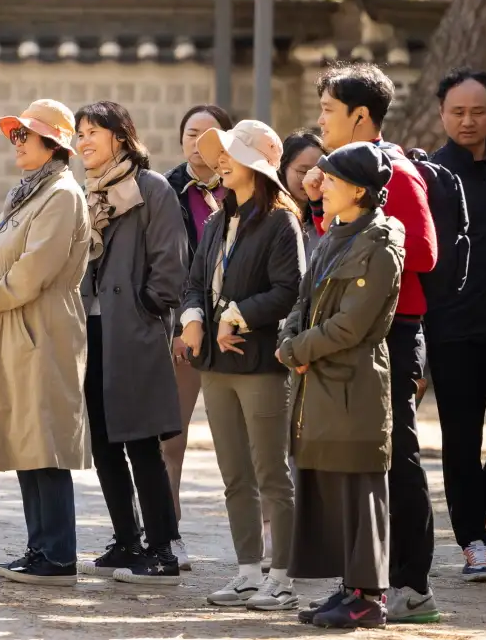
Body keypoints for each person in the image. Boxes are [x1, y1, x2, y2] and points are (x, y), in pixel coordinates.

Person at [304, 62, 439, 624]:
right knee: (352, 455)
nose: (321, 122)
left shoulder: (397, 173)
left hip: (391, 332)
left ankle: (410, 582)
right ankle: (362, 581)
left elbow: (425, 256)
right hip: (348, 334)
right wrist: (319, 204)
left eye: (329, 112)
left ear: (361, 116)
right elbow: (335, 252)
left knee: (393, 455)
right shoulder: (341, 173)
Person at [0, 100, 91, 586]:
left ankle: (58, 554)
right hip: (9, 324)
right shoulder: (26, 194)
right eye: (16, 135)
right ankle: (39, 546)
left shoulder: (61, 195)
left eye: (26, 136)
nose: (17, 143)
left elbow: (34, 270)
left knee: (45, 441)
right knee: (24, 438)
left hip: (41, 327)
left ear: (51, 144)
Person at [278, 142, 403, 630]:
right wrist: (292, 336)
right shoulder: (334, 235)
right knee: (332, 487)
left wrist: (294, 350)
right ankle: (350, 587)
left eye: (329, 179)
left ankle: (369, 597)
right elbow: (302, 300)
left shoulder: (381, 244)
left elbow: (352, 326)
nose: (319, 185)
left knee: (359, 491)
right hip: (321, 386)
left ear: (358, 189)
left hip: (354, 386)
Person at [181, 120, 304, 610]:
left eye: (231, 153)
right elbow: (194, 281)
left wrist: (236, 315)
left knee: (271, 473)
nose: (220, 160)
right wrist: (192, 318)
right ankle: (248, 572)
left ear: (257, 165)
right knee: (234, 474)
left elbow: (288, 291)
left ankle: (284, 578)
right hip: (214, 363)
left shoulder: (282, 222)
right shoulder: (216, 221)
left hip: (262, 364)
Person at [76, 101, 188, 585]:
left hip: (134, 330)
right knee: (102, 442)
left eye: (92, 132)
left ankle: (162, 548)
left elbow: (171, 261)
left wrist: (148, 306)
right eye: (79, 133)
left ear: (120, 136)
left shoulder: (151, 188)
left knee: (141, 442)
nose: (83, 141)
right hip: (91, 329)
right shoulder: (85, 193)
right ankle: (126, 539)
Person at [425, 69, 486, 581]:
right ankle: (474, 541)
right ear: (442, 114)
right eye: (458, 112)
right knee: (460, 439)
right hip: (452, 332)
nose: (468, 120)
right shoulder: (429, 176)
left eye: (478, 111)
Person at [163, 103, 232, 570]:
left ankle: (265, 534)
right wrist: (172, 326)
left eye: (209, 133)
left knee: (242, 437)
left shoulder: (248, 187)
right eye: (191, 132)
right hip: (180, 330)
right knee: (171, 436)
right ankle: (168, 531)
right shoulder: (165, 190)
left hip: (238, 329)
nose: (198, 140)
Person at [280, 131, 326, 260]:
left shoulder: (330, 219)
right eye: (303, 171)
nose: (311, 180)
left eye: (319, 171)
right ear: (283, 168)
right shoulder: (270, 218)